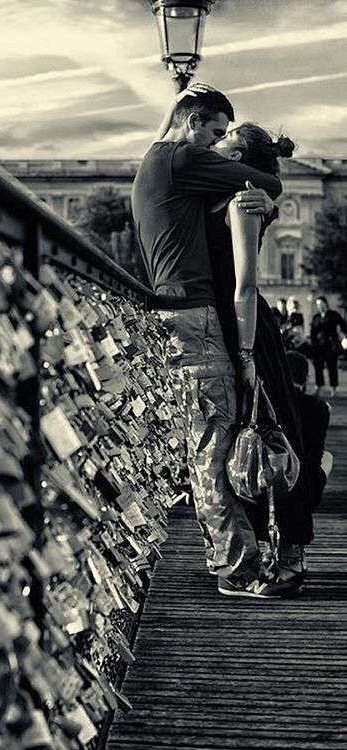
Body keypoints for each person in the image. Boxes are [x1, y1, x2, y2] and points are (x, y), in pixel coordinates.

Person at [132, 85, 296, 598]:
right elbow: (268, 181)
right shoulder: (183, 158)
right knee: (215, 445)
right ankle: (238, 568)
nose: (217, 144)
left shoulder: (156, 159)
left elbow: (169, 131)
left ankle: (226, 555)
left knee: (203, 438)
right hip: (197, 316)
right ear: (195, 123)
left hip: (171, 316)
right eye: (215, 133)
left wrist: (178, 102)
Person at [206, 123, 314, 588]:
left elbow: (245, 283)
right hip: (229, 324)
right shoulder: (219, 194)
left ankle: (292, 553)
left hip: (247, 327)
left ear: (244, 161)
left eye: (225, 150)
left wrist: (247, 354)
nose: (213, 154)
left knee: (274, 434)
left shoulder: (243, 199)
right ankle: (259, 549)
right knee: (244, 438)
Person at [286, 351, 333, 510]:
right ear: (306, 379)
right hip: (308, 486)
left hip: (275, 480)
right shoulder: (320, 408)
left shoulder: (270, 404)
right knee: (327, 456)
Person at [310, 296, 347, 396]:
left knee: (332, 366)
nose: (320, 307)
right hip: (319, 345)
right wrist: (313, 344)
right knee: (318, 366)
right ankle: (319, 386)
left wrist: (343, 337)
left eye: (321, 304)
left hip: (330, 345)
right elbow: (313, 332)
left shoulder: (333, 315)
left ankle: (333, 388)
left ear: (326, 304)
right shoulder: (316, 317)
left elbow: (343, 324)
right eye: (318, 305)